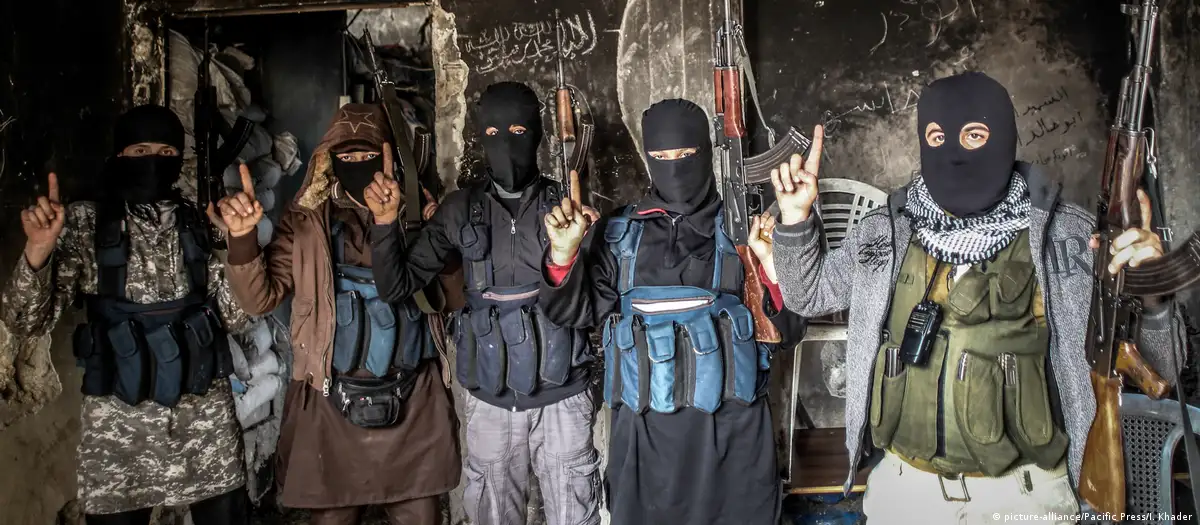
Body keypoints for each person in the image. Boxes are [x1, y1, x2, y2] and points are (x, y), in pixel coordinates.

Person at [770, 71, 1185, 524]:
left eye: (974, 135)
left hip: (1025, 497)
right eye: (937, 137)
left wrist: (1154, 293)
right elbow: (808, 294)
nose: (953, 152)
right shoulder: (885, 231)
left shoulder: (1069, 236)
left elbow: (1162, 369)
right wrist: (796, 219)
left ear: (1004, 137)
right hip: (904, 493)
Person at [538, 98, 806, 525]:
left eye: (686, 154)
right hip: (644, 440)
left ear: (706, 152)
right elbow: (572, 313)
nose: (674, 168)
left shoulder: (745, 231)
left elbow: (790, 329)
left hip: (732, 440)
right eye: (661, 157)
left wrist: (773, 270)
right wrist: (563, 254)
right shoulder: (620, 234)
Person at [0, 104, 252, 524]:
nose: (153, 160)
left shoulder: (198, 221)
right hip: (119, 430)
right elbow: (26, 320)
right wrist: (38, 251)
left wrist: (239, 242)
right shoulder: (86, 223)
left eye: (166, 152)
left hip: (203, 420)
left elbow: (236, 316)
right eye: (139, 150)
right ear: (119, 155)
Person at [367, 81, 602, 525]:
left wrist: (581, 244)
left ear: (537, 135)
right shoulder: (460, 209)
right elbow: (397, 286)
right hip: (491, 398)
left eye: (518, 131)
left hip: (563, 396)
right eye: (493, 134)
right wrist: (384, 223)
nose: (505, 144)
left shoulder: (566, 205)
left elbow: (593, 304)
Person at [217, 103, 459, 525]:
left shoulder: (419, 214)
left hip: (413, 396)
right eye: (347, 156)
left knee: (420, 515)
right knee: (332, 516)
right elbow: (259, 300)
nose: (358, 164)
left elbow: (453, 299)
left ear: (390, 158)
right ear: (329, 162)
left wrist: (442, 239)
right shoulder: (305, 221)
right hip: (330, 397)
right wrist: (242, 240)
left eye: (369, 155)